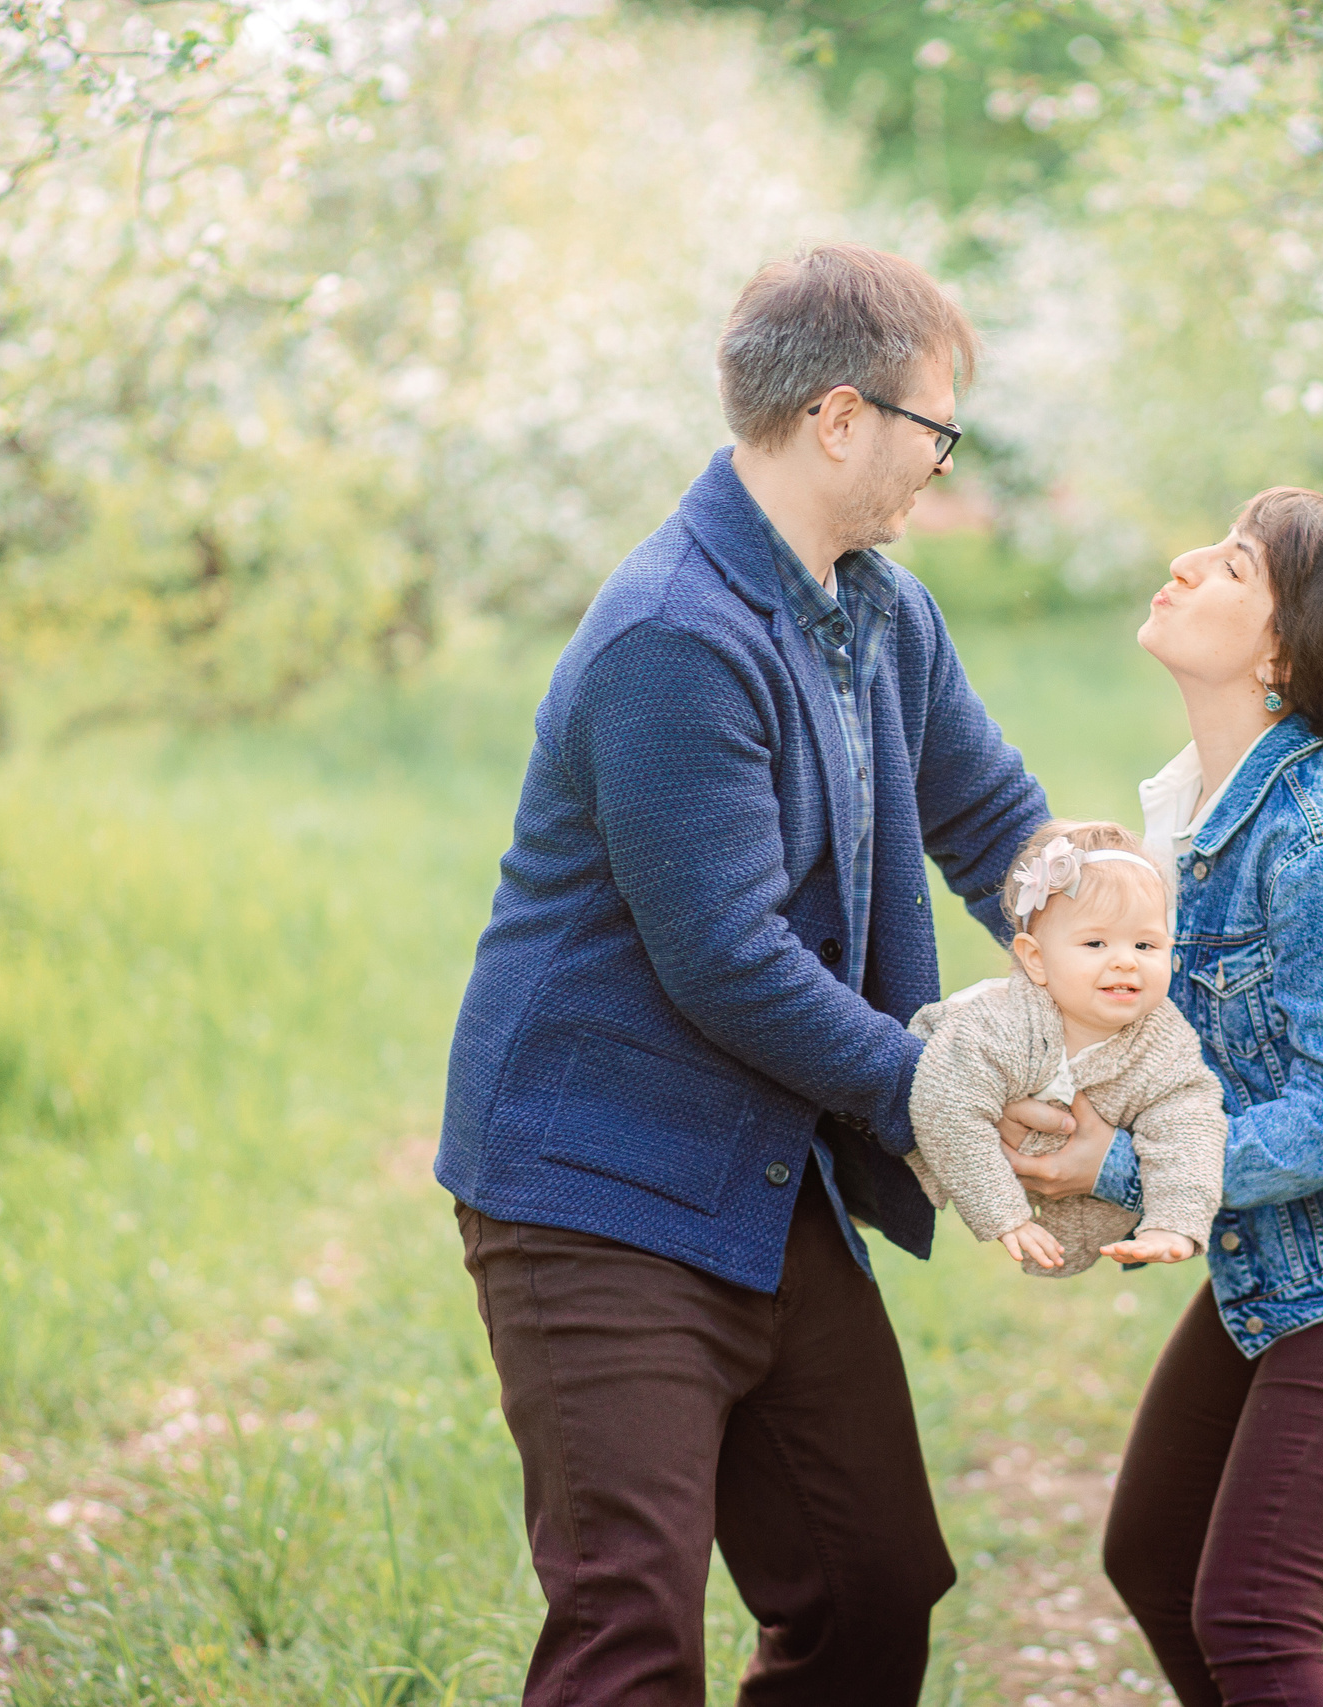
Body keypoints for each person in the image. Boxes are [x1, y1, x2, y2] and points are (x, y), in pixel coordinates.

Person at [433, 243, 1050, 1705]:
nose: (941, 469)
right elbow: (729, 959)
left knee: (872, 1585)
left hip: (766, 1183)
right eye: (935, 432)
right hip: (594, 1189)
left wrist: (1109, 941)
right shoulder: (674, 633)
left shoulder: (883, 613)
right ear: (840, 418)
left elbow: (991, 820)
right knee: (628, 1633)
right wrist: (949, 1097)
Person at [1010, 487, 1323, 1706]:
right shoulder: (1202, 813)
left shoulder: (1321, 847)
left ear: (1280, 653)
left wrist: (1120, 1173)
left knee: (1252, 1614)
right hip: (1285, 1255)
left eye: (1230, 567)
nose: (1183, 562)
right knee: (1154, 1560)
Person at [903, 819, 1223, 1278]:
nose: (1125, 959)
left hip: (1075, 1193)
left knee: (1190, 1117)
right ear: (1036, 959)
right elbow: (946, 1104)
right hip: (943, 1144)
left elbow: (1190, 1128)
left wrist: (1175, 1222)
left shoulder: (1164, 1042)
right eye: (1096, 942)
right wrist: (1003, 1212)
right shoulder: (999, 1024)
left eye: (1145, 944)